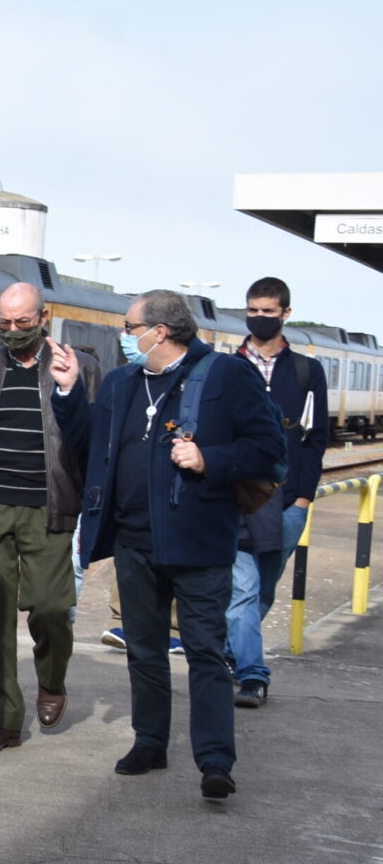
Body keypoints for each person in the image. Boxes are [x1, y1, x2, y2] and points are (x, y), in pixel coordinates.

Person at [50, 290, 284, 801]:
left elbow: (270, 449)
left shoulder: (225, 375)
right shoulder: (122, 382)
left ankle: (215, 761)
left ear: (160, 331)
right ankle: (150, 741)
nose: (124, 336)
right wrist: (68, 394)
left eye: (129, 327)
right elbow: (91, 442)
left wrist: (210, 459)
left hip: (198, 543)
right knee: (145, 651)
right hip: (134, 542)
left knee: (204, 652)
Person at [0, 284, 101, 753]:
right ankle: (3, 720)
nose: (14, 331)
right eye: (5, 324)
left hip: (49, 506)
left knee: (52, 607)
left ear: (45, 317)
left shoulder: (80, 366)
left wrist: (71, 386)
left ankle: (52, 679)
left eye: (23, 322)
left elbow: (91, 437)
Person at [225, 276, 328, 707]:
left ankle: (234, 652)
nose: (259, 318)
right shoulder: (228, 365)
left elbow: (316, 437)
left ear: (285, 313)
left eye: (268, 311)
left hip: (287, 503)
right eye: (252, 310)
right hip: (238, 501)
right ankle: (252, 675)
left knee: (264, 591)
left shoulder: (307, 370)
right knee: (242, 591)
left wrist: (302, 497)